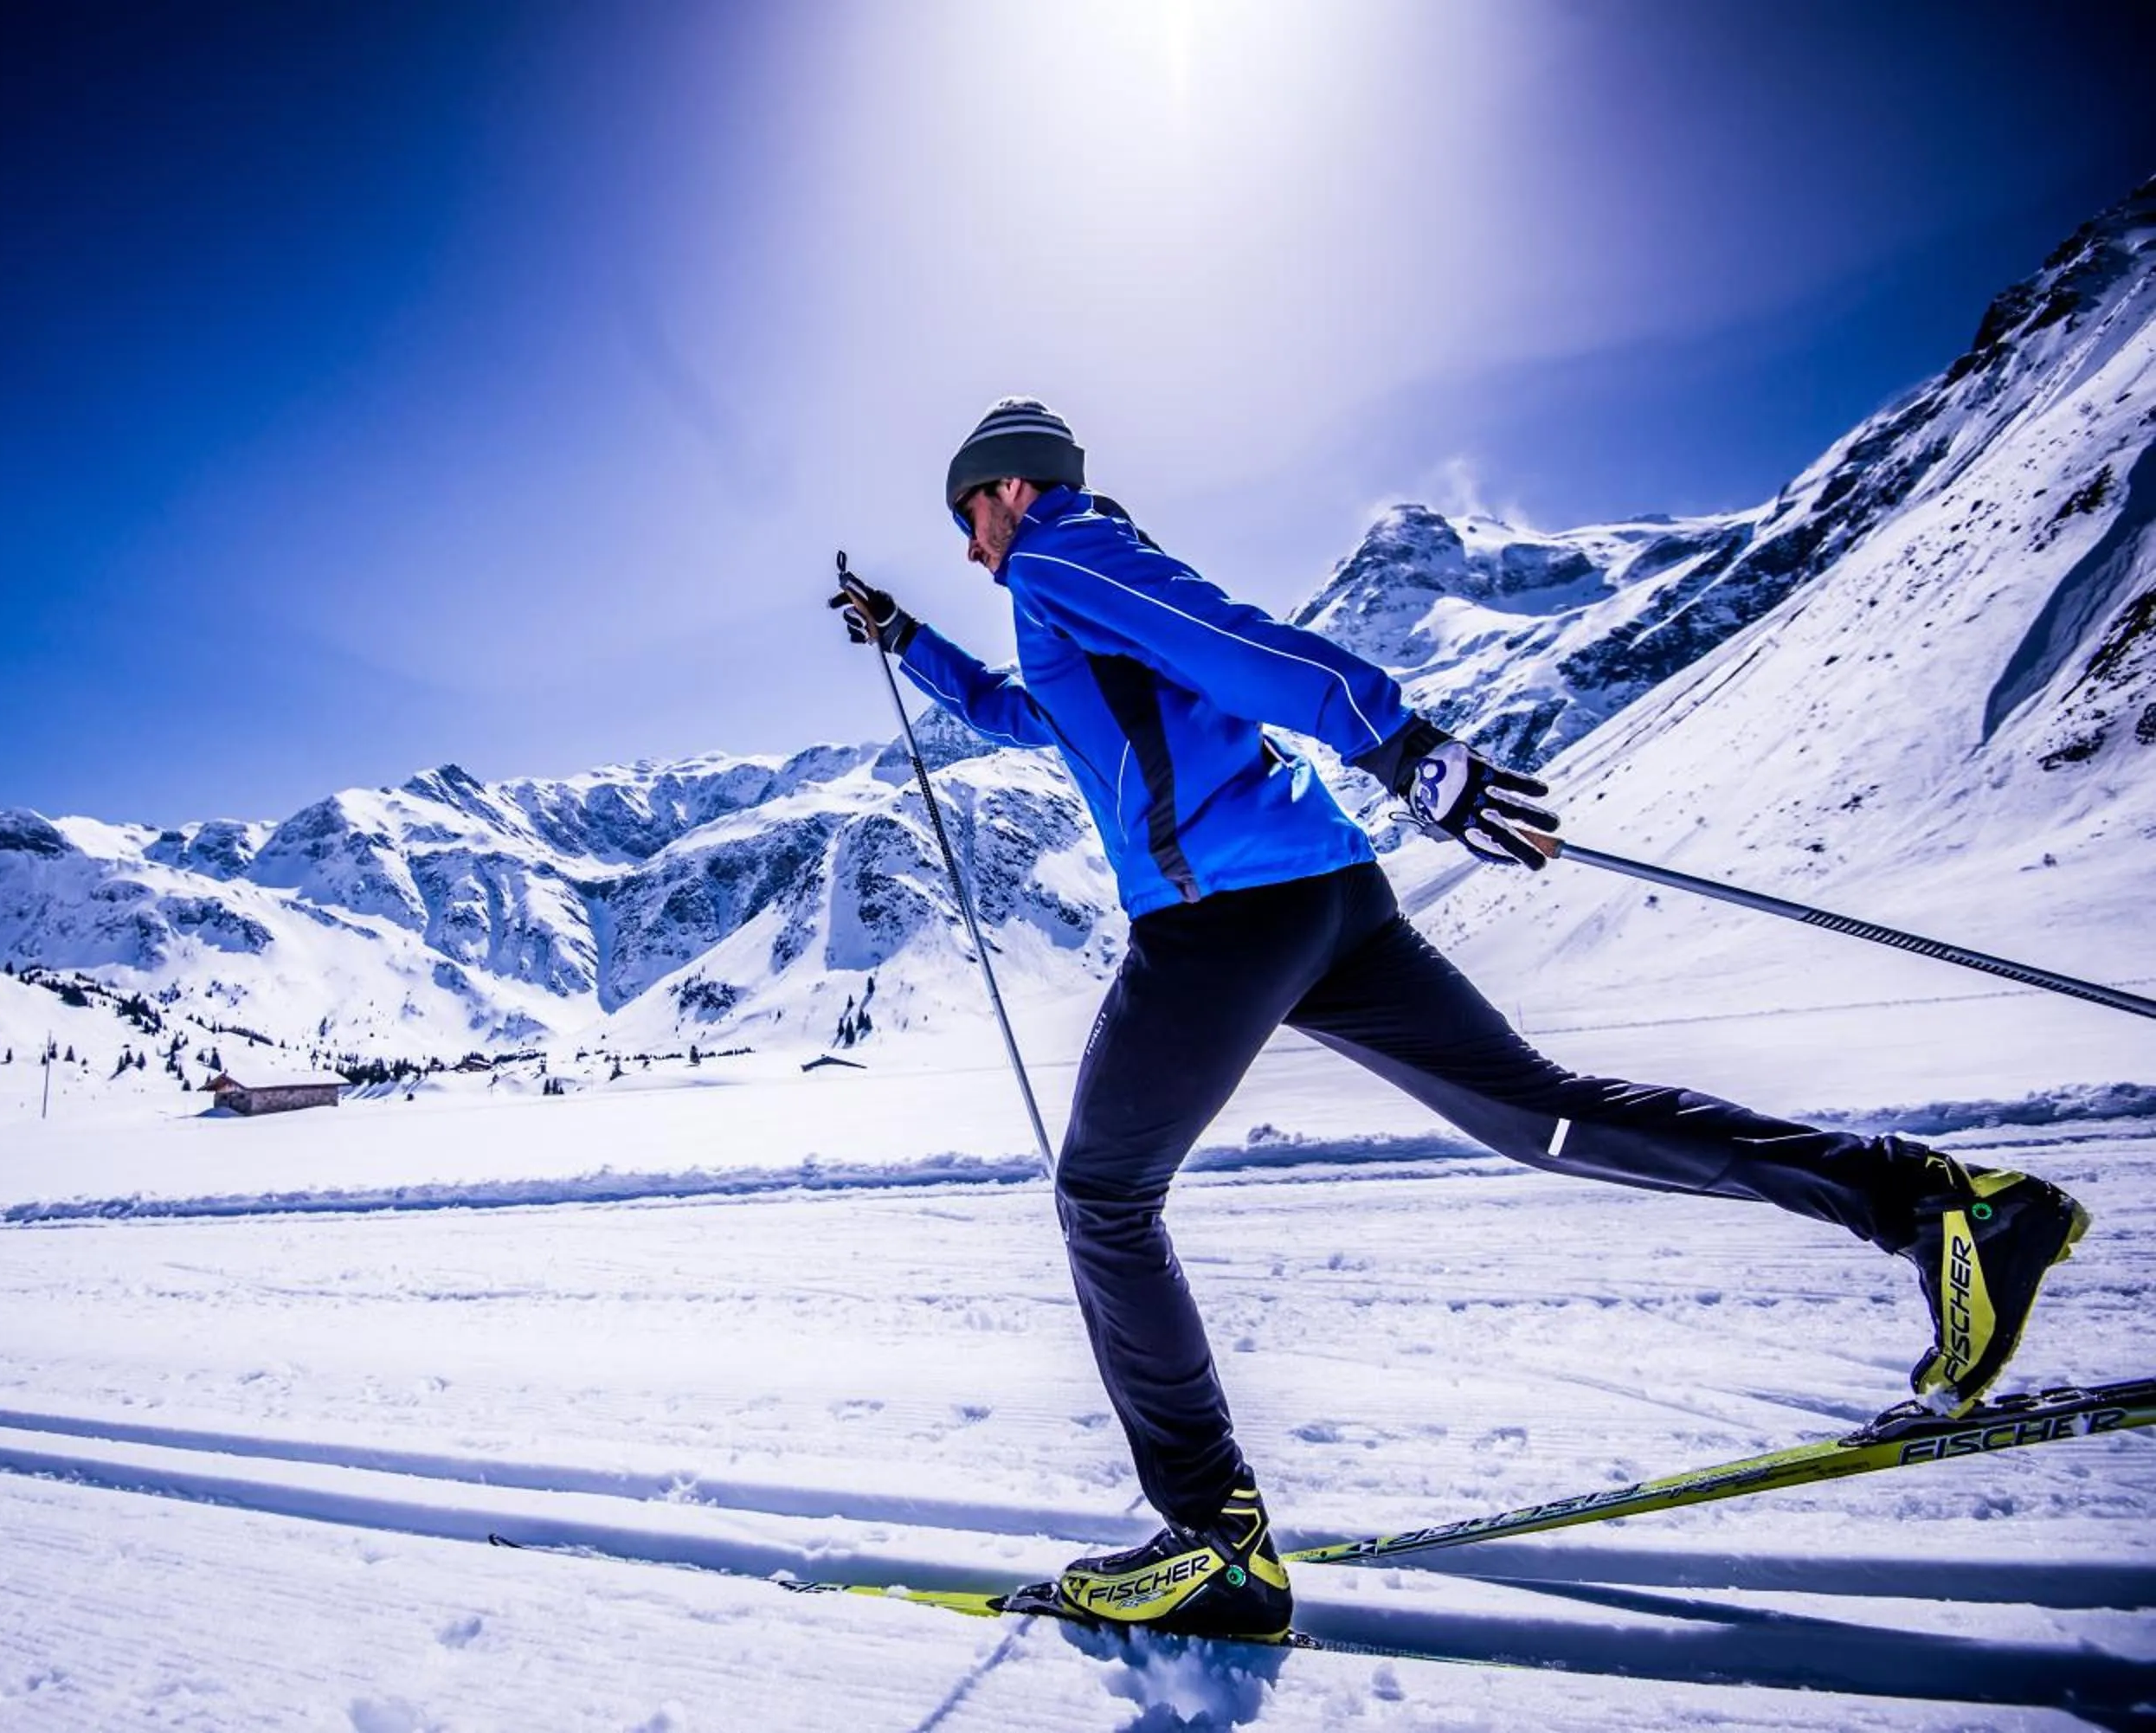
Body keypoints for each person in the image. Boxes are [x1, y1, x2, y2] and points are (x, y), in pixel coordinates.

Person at [825, 396, 2092, 1641]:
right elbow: (1024, 713)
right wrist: (906, 639)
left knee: (1103, 1195)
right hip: (1327, 901)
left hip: (1224, 918)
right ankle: (1943, 1211)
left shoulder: (1063, 553)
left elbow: (1239, 646)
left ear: (1009, 487)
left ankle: (1215, 1540)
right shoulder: (1072, 593)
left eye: (966, 518)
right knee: (1544, 1113)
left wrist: (1400, 744)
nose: (968, 548)